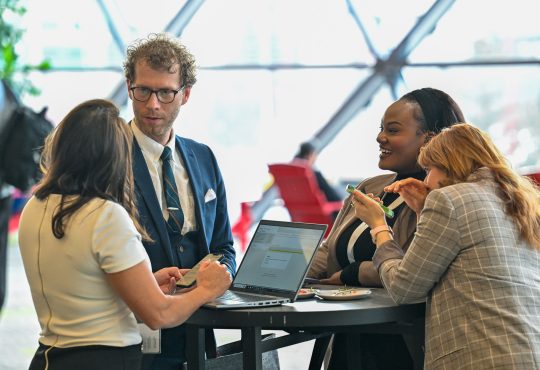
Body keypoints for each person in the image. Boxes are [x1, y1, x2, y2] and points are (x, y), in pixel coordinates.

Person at [18, 99, 232, 370]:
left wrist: (146, 285)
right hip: (105, 360)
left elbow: (80, 287)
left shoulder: (36, 207)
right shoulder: (105, 215)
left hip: (50, 357)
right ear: (113, 156)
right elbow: (158, 314)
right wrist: (206, 290)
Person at [351, 123, 540, 369]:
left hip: (481, 356)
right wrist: (422, 210)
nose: (427, 180)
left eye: (429, 169)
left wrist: (379, 227)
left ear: (451, 164)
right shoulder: (521, 202)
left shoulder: (449, 199)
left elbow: (404, 288)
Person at [307, 87, 465, 369]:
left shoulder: (442, 198)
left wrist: (351, 274)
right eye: (381, 128)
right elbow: (330, 249)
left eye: (392, 130)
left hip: (404, 338)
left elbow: (412, 270)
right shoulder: (371, 186)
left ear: (428, 138)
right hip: (349, 333)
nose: (380, 137)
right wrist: (289, 273)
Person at [123, 33, 236, 369]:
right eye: (143, 90)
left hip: (198, 332)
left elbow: (224, 246)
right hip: (134, 334)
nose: (153, 104)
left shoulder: (203, 158)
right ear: (129, 86)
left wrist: (218, 276)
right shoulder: (110, 158)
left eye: (165, 92)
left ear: (185, 94)